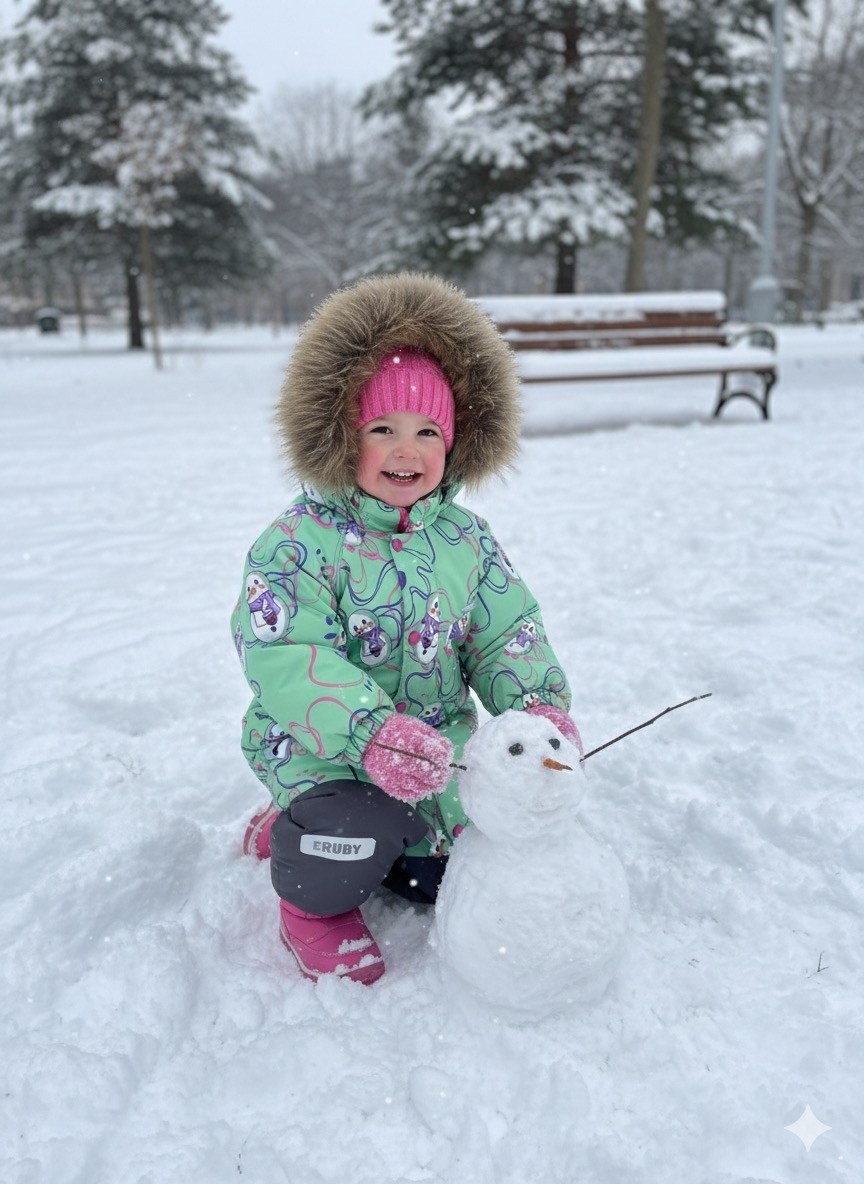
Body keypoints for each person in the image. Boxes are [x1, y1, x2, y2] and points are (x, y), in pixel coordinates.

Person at [231, 271, 581, 985]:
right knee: (349, 836)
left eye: (427, 432)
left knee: (438, 876)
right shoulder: (297, 544)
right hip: (326, 749)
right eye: (382, 429)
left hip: (436, 754)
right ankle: (310, 898)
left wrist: (536, 711)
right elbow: (288, 654)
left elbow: (503, 633)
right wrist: (369, 734)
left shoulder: (465, 540)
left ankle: (354, 839)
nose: (406, 450)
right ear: (342, 437)